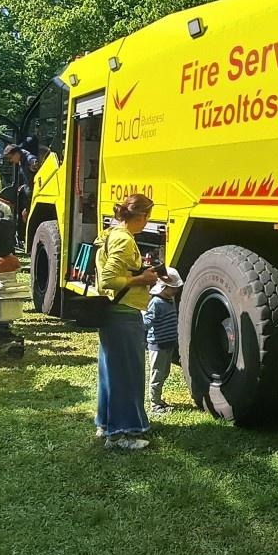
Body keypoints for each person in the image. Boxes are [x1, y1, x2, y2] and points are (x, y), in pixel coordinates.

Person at [95, 193, 158, 450]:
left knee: (111, 372)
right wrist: (140, 280)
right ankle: (122, 433)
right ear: (141, 216)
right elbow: (107, 279)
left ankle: (107, 424)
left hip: (113, 313)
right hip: (124, 312)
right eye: (148, 217)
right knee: (126, 374)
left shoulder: (112, 233)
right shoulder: (123, 239)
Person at [143, 267, 183, 415]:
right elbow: (146, 322)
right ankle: (155, 404)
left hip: (168, 344)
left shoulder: (169, 300)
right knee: (157, 374)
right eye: (173, 288)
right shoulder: (156, 303)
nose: (176, 291)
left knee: (164, 372)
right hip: (158, 345)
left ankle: (158, 400)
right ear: (163, 287)